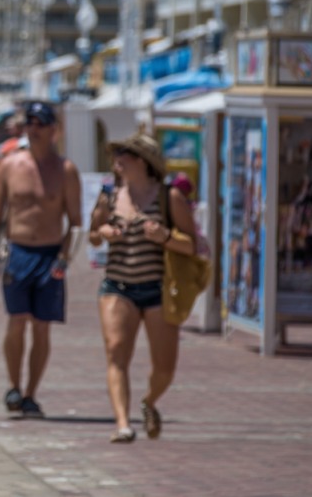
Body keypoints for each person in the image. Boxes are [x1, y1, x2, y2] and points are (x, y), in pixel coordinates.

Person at [89, 133, 197, 443]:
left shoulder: (168, 197)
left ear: (143, 161)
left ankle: (149, 401)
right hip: (117, 286)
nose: (117, 159)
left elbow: (193, 245)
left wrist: (164, 236)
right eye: (116, 153)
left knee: (164, 367)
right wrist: (104, 233)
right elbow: (93, 235)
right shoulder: (109, 195)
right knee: (116, 353)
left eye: (125, 153)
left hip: (157, 290)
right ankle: (123, 423)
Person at [0, 101, 82, 419]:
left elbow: (76, 222)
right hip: (19, 253)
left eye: (41, 123)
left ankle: (30, 394)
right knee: (17, 320)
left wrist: (65, 259)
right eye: (30, 123)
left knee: (42, 327)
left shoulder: (65, 170)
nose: (34, 129)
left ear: (54, 130)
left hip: (50, 255)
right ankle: (13, 385)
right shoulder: (10, 165)